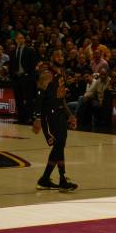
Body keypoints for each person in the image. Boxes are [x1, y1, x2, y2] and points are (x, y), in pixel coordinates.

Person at [32, 49, 78, 192]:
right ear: (51, 57)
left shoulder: (62, 73)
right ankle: (61, 179)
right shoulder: (47, 73)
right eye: (57, 54)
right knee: (58, 145)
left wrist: (70, 115)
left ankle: (47, 179)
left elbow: (62, 98)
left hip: (59, 114)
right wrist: (36, 118)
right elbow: (38, 97)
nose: (60, 57)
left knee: (60, 145)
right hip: (48, 115)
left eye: (62, 55)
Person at [10, 33, 37, 124]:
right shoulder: (13, 51)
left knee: (28, 99)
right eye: (18, 38)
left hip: (26, 78)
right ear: (15, 40)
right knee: (18, 99)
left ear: (24, 39)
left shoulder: (30, 50)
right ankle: (20, 118)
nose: (20, 40)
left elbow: (33, 65)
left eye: (21, 38)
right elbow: (11, 65)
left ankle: (29, 118)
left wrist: (26, 74)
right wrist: (13, 75)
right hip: (16, 78)